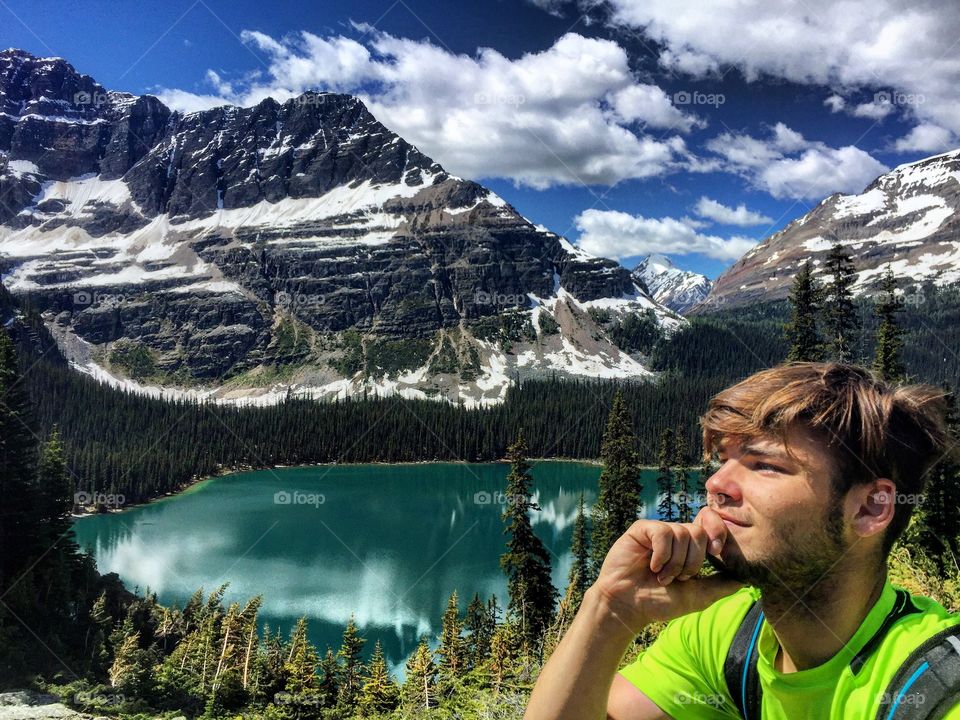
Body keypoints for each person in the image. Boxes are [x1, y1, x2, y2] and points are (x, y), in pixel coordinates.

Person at [525, 362, 960, 719]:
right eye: (723, 460)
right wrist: (610, 609)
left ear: (870, 508)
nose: (716, 483)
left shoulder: (935, 685)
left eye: (765, 465)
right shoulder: (728, 631)